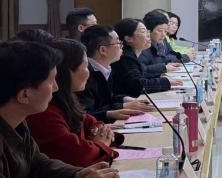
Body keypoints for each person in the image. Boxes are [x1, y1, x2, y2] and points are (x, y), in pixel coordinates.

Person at [0, 40, 119, 177]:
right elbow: (76, 155)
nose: (56, 87)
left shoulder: (18, 122)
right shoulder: (35, 117)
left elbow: (38, 163)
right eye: (51, 81)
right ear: (24, 95)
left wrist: (77, 174)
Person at [26, 39, 124, 167]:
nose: (89, 72)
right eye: (85, 66)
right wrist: (102, 143)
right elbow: (78, 155)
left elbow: (90, 122)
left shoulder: (67, 99)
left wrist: (102, 134)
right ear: (65, 72)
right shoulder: (43, 110)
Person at [77, 26, 149, 123]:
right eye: (118, 43)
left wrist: (126, 99)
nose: (122, 46)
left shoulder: (106, 68)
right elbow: (88, 112)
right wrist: (122, 106)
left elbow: (108, 98)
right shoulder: (85, 74)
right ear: (103, 50)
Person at [109, 18, 179, 98]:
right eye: (143, 32)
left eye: (147, 31)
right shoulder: (125, 58)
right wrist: (165, 81)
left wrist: (159, 77)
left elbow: (140, 76)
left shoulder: (131, 55)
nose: (148, 35)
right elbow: (138, 85)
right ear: (128, 38)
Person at [138, 11, 187, 75]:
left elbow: (162, 59)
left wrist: (166, 65)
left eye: (165, 31)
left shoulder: (159, 43)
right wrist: (163, 68)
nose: (163, 35)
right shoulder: (142, 46)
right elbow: (141, 71)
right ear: (148, 30)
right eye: (160, 31)